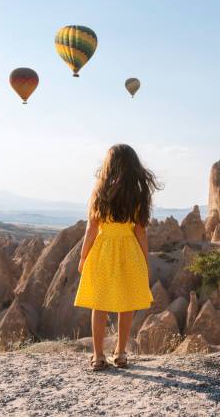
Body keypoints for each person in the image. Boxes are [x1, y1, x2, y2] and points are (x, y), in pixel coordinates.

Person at [75, 144, 159, 371]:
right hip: (129, 251)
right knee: (127, 303)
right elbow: (140, 230)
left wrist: (83, 256)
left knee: (99, 304)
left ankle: (98, 356)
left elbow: (92, 228)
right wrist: (144, 260)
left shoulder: (99, 191)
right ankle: (121, 354)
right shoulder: (139, 194)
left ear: (108, 166)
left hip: (103, 250)